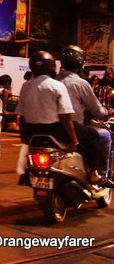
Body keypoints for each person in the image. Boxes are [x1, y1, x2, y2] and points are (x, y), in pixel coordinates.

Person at [16, 51, 103, 184]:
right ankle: (93, 173)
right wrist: (74, 141)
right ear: (52, 66)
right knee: (93, 135)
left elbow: (21, 117)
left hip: (32, 133)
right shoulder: (57, 85)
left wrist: (24, 137)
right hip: (56, 132)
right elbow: (65, 118)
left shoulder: (26, 86)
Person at [57, 45, 113, 186]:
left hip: (51, 128)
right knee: (104, 136)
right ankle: (97, 173)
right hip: (72, 127)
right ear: (80, 64)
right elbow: (97, 111)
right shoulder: (81, 83)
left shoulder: (53, 81)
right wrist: (106, 112)